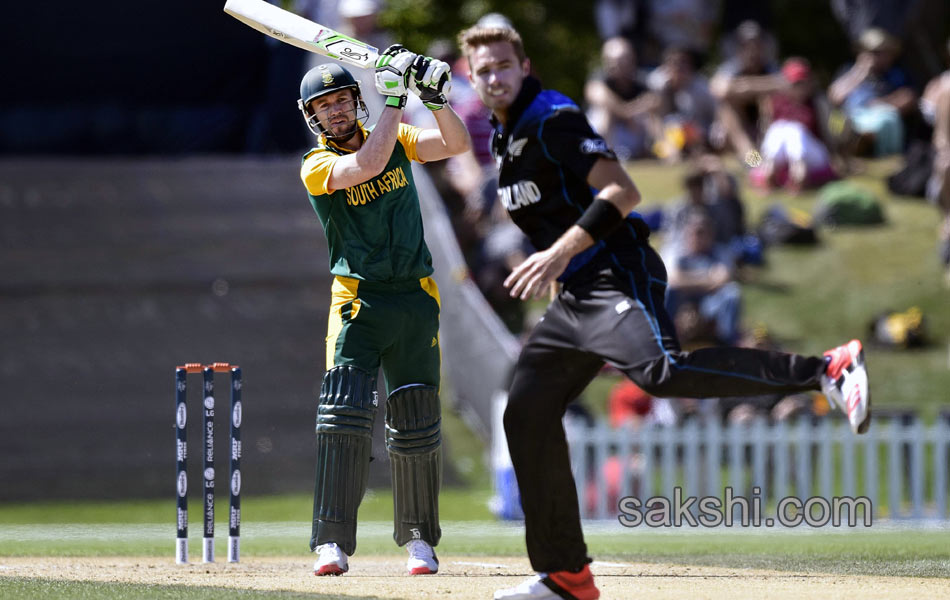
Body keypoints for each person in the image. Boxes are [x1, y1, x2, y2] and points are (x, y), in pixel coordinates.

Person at [457, 24, 871, 600]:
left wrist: (555, 255)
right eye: (484, 70)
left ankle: (826, 369)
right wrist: (558, 273)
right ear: (470, 76)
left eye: (505, 64)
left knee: (661, 374)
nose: (496, 76)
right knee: (526, 411)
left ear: (524, 67)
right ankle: (566, 576)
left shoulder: (552, 118)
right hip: (575, 295)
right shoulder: (506, 138)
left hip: (616, 273)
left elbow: (622, 192)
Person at [297, 45, 471, 576]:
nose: (336, 111)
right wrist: (396, 97)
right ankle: (331, 544)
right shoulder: (317, 163)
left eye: (344, 100)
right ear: (313, 117)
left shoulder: (398, 138)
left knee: (416, 422)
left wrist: (435, 97)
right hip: (359, 302)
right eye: (325, 106)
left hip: (415, 298)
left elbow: (456, 143)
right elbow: (367, 163)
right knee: (343, 417)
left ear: (356, 101)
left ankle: (419, 540)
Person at [828, 27, 917, 157]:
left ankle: (888, 156)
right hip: (851, 120)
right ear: (862, 53)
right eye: (875, 52)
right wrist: (860, 72)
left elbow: (909, 97)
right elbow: (835, 97)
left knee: (887, 119)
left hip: (885, 117)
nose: (882, 56)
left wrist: (880, 105)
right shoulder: (848, 70)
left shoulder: (896, 73)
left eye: (886, 52)